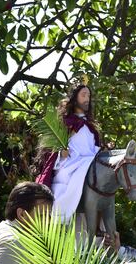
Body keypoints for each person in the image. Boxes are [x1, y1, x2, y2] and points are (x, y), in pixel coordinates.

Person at [36, 83, 102, 222]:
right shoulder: (66, 123)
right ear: (75, 97)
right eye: (83, 95)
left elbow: (94, 148)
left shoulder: (91, 127)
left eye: (88, 96)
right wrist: (60, 154)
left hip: (89, 163)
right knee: (63, 187)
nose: (87, 99)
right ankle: (58, 218)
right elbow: (50, 151)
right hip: (69, 166)